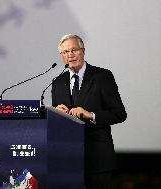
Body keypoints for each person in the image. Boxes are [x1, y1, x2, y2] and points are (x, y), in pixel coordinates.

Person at [52, 34, 127, 189]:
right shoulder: (58, 82)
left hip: (98, 159)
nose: (70, 55)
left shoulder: (102, 76)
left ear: (83, 51)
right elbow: (57, 124)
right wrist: (58, 115)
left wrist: (90, 115)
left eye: (74, 50)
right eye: (65, 52)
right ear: (61, 56)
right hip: (69, 159)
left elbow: (119, 113)